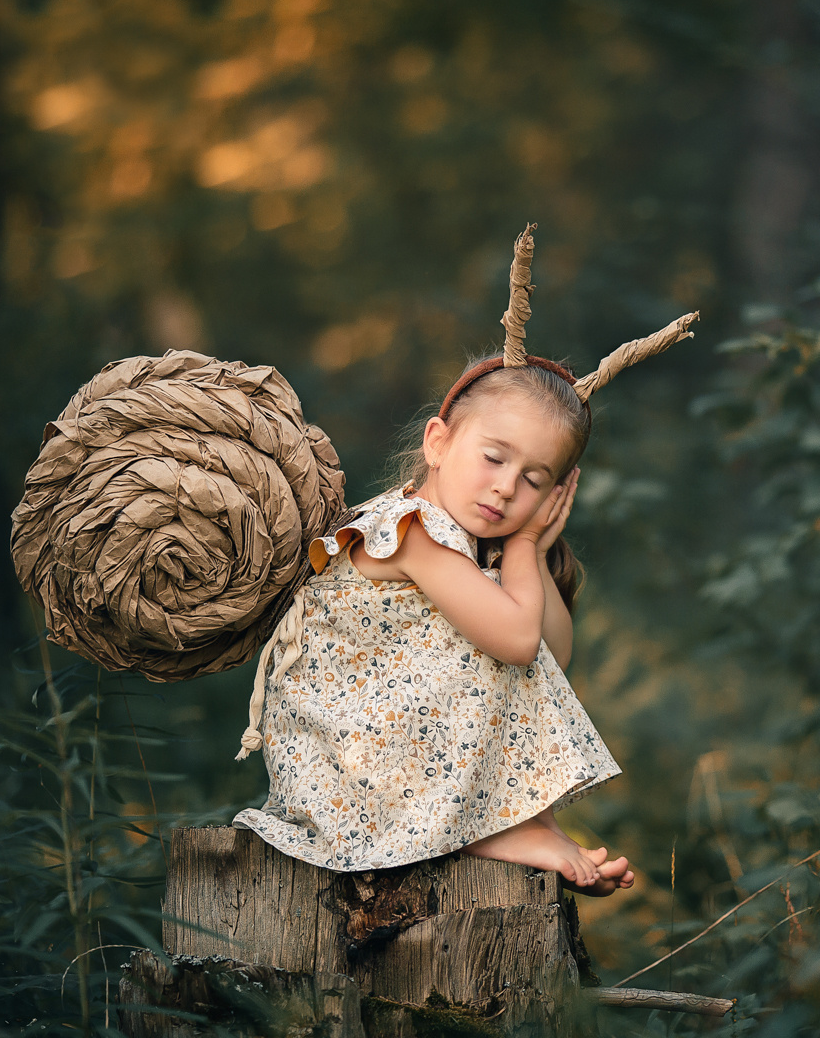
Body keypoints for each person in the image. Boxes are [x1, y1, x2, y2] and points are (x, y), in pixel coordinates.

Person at [231, 354, 640, 893]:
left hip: (383, 755)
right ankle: (492, 831)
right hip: (349, 768)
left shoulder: (468, 547)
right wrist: (520, 542)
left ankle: (524, 824)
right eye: (494, 458)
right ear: (438, 443)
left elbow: (550, 656)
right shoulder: (414, 531)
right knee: (495, 645)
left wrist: (533, 552)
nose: (505, 488)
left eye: (534, 480)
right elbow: (519, 643)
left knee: (500, 640)